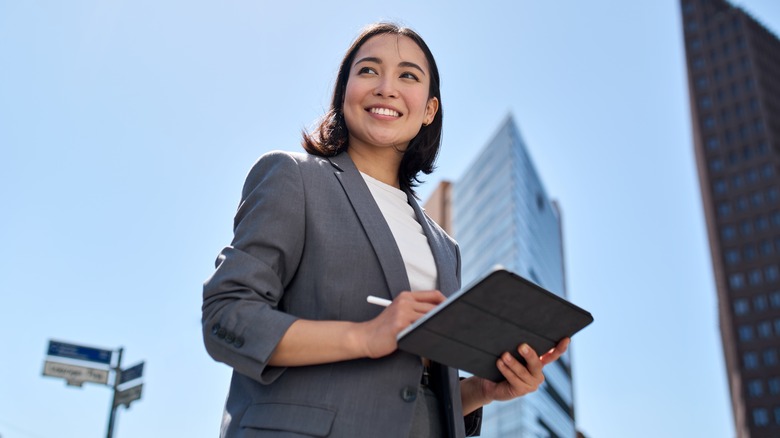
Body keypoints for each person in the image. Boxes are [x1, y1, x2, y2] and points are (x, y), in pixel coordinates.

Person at [202, 22, 569, 438]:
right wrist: (366, 336)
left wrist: (481, 389)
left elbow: (410, 393)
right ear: (344, 93)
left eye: (408, 76)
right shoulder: (294, 177)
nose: (386, 88)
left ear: (429, 110)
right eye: (368, 71)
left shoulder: (445, 248)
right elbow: (226, 318)